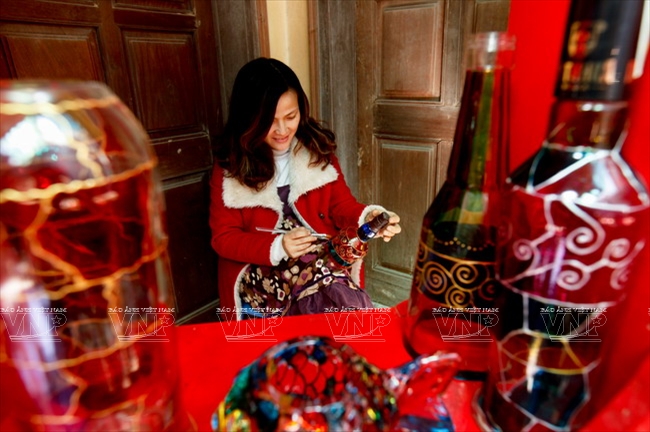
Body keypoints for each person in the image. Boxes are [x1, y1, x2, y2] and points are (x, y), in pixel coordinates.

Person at [209, 57, 401, 318]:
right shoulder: (231, 167)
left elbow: (341, 205)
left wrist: (368, 217)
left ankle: (339, 332)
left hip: (319, 261)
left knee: (325, 273)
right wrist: (279, 246)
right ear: (249, 118)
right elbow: (223, 238)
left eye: (291, 116)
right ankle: (352, 332)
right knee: (325, 278)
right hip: (263, 266)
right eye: (269, 121)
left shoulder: (315, 149)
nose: (282, 130)